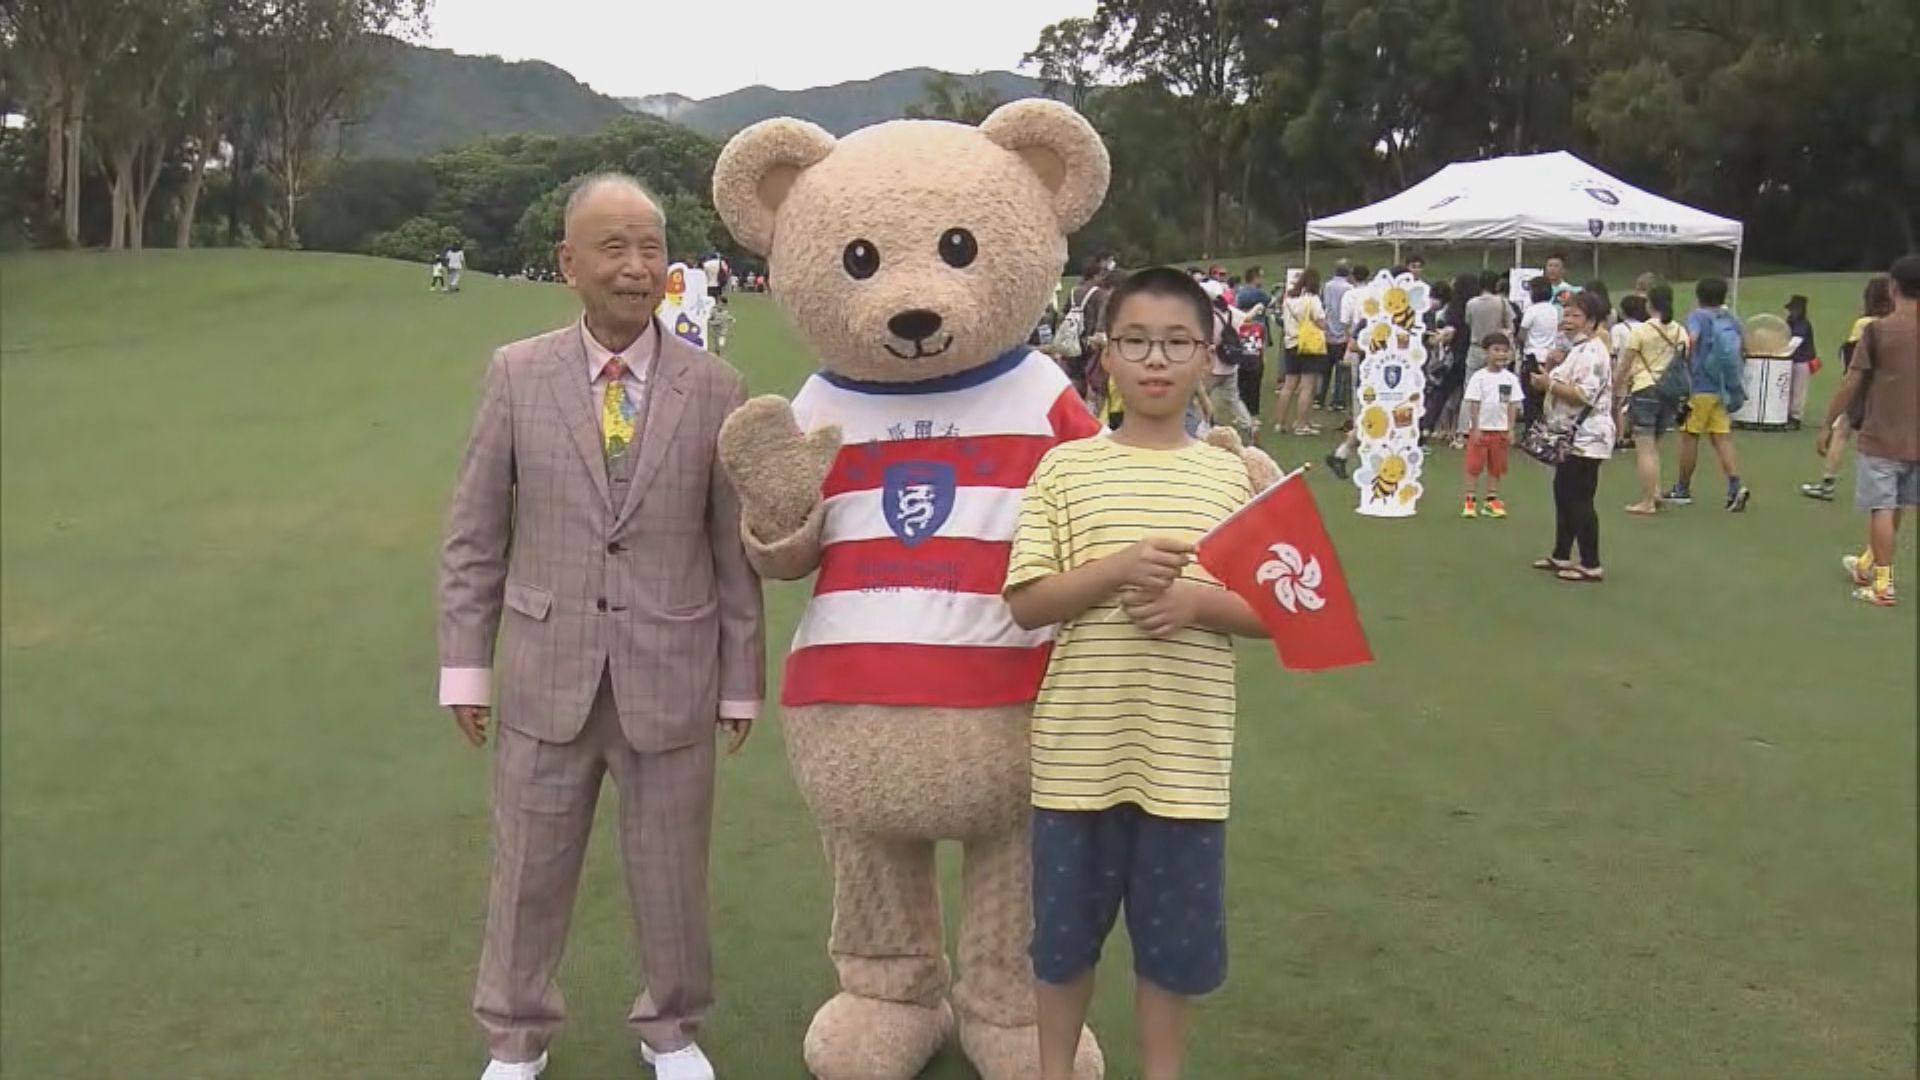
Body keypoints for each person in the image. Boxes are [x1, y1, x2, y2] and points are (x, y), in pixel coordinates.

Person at [437, 174, 765, 1080]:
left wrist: (742, 681)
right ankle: (515, 1034)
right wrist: (466, 668)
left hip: (673, 668)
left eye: (651, 247)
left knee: (670, 868)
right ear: (568, 263)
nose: (635, 266)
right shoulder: (516, 373)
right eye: (613, 248)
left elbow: (730, 550)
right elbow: (475, 534)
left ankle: (672, 1026)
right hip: (548, 667)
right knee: (528, 869)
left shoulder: (716, 384)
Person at [1003, 266, 1268, 1080]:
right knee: (1062, 945)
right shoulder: (1067, 470)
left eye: (1178, 342)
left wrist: (1195, 601)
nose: (1157, 360)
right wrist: (1117, 569)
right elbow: (1028, 601)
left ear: (1209, 355)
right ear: (1104, 355)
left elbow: (1277, 612)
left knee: (1171, 951)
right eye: (1136, 342)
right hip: (1077, 759)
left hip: (1185, 765)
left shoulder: (1235, 477)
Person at [1818, 254, 1920, 607]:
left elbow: (1852, 381)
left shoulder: (1877, 330)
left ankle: (1883, 582)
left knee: (1880, 506)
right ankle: (1869, 563)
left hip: (1881, 436)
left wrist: (1828, 422)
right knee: (1898, 505)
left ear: (1893, 288)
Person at [1531, 290, 1615, 583]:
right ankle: (1561, 552)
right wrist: (1552, 370)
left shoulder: (1593, 352)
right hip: (1571, 435)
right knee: (1564, 494)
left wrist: (1548, 384)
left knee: (1580, 498)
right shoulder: (1577, 349)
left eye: (1575, 315)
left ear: (1592, 321)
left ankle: (1591, 562)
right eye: (1566, 314)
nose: (1567, 320)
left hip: (1587, 437)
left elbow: (1582, 395)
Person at [1803, 276, 1896, 500]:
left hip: (1865, 387)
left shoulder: (1865, 324)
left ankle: (1827, 481)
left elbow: (1853, 359)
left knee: (1843, 429)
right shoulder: (1898, 323)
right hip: (1892, 386)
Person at [1665, 277, 1752, 511]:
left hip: (1698, 387)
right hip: (1721, 389)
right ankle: (1735, 485)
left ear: (1699, 295)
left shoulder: (1697, 316)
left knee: (1688, 435)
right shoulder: (1730, 319)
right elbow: (1744, 347)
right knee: (1721, 437)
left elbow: (1690, 340)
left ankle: (1682, 488)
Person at [1617, 287, 1687, 514]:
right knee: (1654, 445)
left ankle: (1647, 501)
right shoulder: (1680, 331)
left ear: (1650, 305)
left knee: (1644, 448)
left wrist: (1615, 387)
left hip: (1645, 388)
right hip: (1670, 391)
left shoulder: (1641, 331)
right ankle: (1654, 491)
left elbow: (1625, 363)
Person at [1460, 333, 1521, 518]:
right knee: (1474, 465)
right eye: (1496, 350)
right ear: (1486, 353)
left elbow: (1512, 404)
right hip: (1482, 429)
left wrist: (1510, 428)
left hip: (1500, 430)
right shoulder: (1479, 377)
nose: (1500, 354)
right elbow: (1474, 403)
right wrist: (1476, 427)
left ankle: (1491, 499)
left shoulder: (1510, 379)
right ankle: (1470, 500)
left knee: (1496, 466)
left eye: (1504, 351)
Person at [1278, 267, 1330, 436]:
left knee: (1288, 385)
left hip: (1291, 343)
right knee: (1307, 386)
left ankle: (1280, 422)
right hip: (1309, 345)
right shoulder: (1312, 300)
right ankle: (1301, 424)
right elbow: (1321, 322)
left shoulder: (1288, 299)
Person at [1207, 291, 1256, 439]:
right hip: (1230, 365)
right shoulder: (1231, 312)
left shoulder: (1207, 316)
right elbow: (1248, 318)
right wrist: (1258, 307)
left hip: (1212, 366)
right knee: (1234, 399)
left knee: (1200, 397)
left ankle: (1205, 425)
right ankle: (1248, 425)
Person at [1316, 261, 1355, 411]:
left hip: (1327, 331)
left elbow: (1324, 305)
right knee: (1341, 370)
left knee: (1324, 370)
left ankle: (1319, 398)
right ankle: (1338, 400)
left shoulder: (1327, 285)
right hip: (1342, 333)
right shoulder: (1349, 288)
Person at [1784, 294, 1817, 429]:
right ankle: (1787, 415)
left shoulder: (1802, 324)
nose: (1792, 311)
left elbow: (1796, 341)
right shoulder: (1790, 321)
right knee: (1788, 389)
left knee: (1798, 389)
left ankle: (1795, 417)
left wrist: (1782, 352)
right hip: (1790, 360)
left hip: (1801, 360)